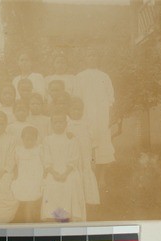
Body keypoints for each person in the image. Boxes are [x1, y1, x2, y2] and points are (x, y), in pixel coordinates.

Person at [74, 49, 115, 188]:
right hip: (86, 117)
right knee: (87, 146)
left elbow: (111, 100)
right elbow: (77, 100)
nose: (92, 58)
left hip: (102, 117)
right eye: (89, 55)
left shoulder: (105, 76)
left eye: (94, 55)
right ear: (85, 58)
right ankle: (88, 178)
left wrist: (110, 117)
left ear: (98, 59)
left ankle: (102, 178)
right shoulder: (79, 77)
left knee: (103, 145)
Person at [41, 113, 86, 222]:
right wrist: (54, 173)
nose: (58, 125)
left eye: (61, 122)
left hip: (69, 172)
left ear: (66, 124)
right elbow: (47, 158)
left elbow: (74, 159)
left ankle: (67, 218)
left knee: (69, 184)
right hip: (53, 172)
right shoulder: (47, 140)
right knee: (52, 186)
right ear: (51, 124)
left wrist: (65, 173)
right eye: (55, 122)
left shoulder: (71, 139)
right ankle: (57, 218)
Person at [67, 96, 100, 206]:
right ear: (69, 109)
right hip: (72, 157)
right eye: (74, 109)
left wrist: (93, 159)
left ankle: (87, 202)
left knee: (86, 176)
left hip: (85, 156)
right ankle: (74, 203)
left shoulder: (87, 123)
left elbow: (93, 144)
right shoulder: (67, 123)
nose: (77, 112)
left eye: (79, 109)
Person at [11, 126, 44, 223]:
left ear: (36, 139)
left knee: (33, 201)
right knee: (25, 201)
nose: (29, 142)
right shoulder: (18, 150)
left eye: (32, 139)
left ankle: (31, 221)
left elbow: (44, 163)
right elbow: (15, 165)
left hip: (35, 179)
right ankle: (27, 221)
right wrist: (15, 177)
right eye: (27, 139)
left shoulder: (40, 149)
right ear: (22, 139)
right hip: (23, 179)